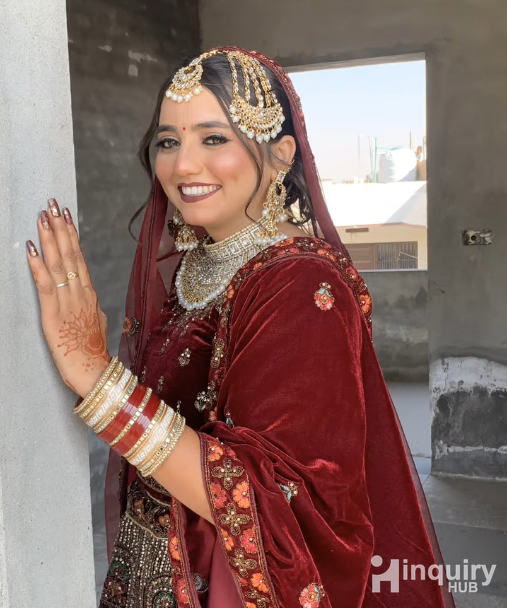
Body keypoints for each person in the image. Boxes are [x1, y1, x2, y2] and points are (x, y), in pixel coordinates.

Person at [26, 48, 455, 608]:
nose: (183, 166)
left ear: (280, 156)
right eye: (168, 141)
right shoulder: (201, 264)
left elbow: (273, 497)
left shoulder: (299, 282)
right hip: (155, 567)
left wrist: (96, 375)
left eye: (213, 138)